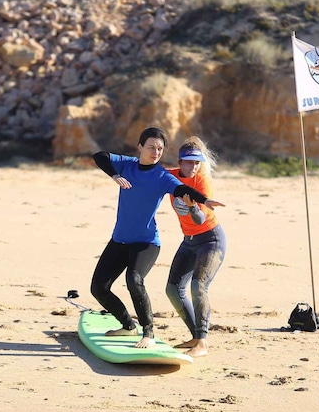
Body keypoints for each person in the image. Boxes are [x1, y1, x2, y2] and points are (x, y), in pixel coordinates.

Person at [90, 127, 223, 348]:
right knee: (98, 288)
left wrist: (204, 200)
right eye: (151, 147)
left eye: (160, 148)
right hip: (120, 239)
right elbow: (100, 157)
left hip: (146, 242)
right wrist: (114, 175)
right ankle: (127, 326)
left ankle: (148, 333)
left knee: (134, 279)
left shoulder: (161, 176)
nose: (155, 151)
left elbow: (181, 190)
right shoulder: (127, 165)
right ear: (140, 147)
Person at [165, 136, 226, 357]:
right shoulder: (171, 177)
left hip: (210, 240)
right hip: (189, 241)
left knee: (198, 286)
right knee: (172, 289)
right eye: (189, 162)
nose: (193, 167)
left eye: (197, 163)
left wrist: (192, 207)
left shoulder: (202, 182)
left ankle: (202, 343)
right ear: (180, 162)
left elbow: (200, 219)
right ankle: (194, 336)